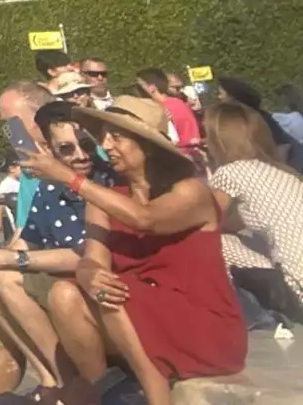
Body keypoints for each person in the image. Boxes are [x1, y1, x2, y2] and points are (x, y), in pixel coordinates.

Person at [26, 96, 247, 405]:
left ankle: (155, 395)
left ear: (147, 146)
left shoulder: (190, 192)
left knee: (118, 294)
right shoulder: (105, 198)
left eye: (116, 137)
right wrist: (90, 274)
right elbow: (93, 259)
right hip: (141, 312)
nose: (106, 145)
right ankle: (102, 391)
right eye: (103, 137)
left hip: (202, 321)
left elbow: (146, 219)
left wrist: (69, 178)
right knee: (69, 293)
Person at [0, 88, 97, 399]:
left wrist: (2, 260)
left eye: (12, 123)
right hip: (47, 269)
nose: (8, 133)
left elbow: (85, 251)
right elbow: (25, 236)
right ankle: (44, 379)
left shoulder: (76, 172)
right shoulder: (39, 178)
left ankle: (54, 382)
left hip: (75, 276)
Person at [205, 100, 303, 324]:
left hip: (296, 289)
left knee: (218, 243)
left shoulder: (230, 172)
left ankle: (243, 313)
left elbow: (208, 223)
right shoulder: (282, 172)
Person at [215, 74, 299, 165]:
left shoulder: (258, 118)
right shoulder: (247, 118)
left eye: (221, 93)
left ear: (232, 97)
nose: (219, 97)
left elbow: (283, 146)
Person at [137, 67, 203, 155]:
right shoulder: (178, 103)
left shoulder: (161, 109)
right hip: (193, 154)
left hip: (181, 158)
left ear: (152, 88)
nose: (137, 90)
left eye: (140, 86)